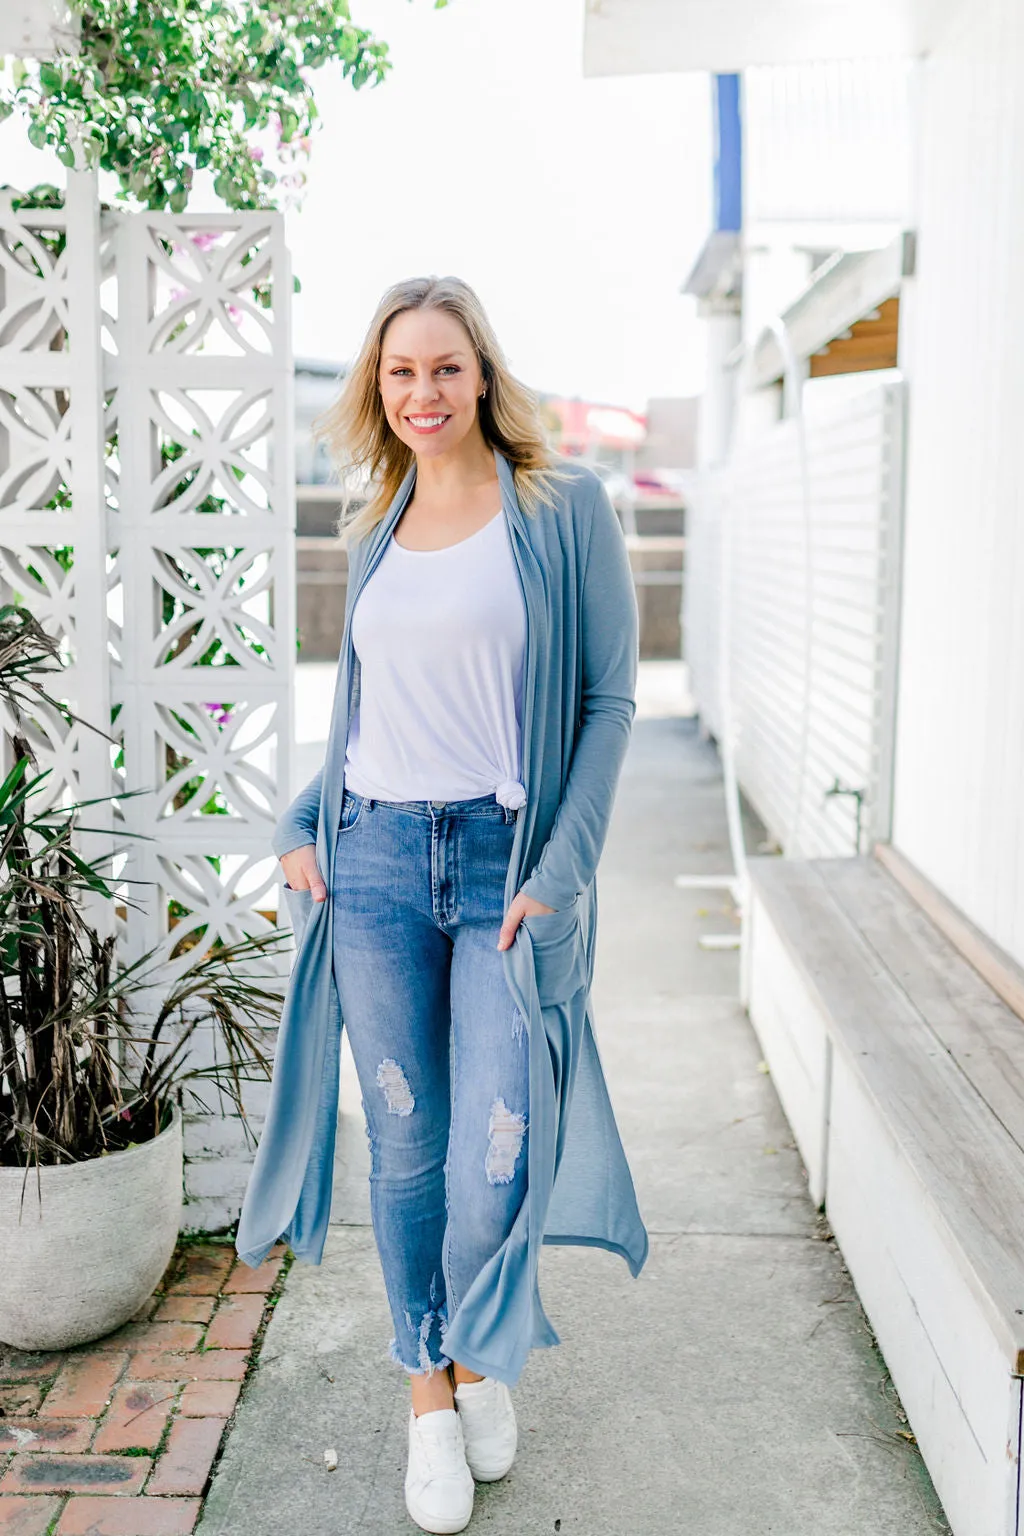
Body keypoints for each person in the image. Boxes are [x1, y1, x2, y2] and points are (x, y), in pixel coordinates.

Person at [235, 275, 648, 1534]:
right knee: (406, 1145)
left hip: (501, 875)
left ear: (483, 377)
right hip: (369, 868)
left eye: (445, 368)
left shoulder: (561, 507)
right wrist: (303, 821)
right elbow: (370, 717)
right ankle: (429, 1389)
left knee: (490, 1155)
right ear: (377, 386)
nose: (422, 393)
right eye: (400, 371)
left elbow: (607, 702)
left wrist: (558, 871)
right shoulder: (374, 524)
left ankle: (480, 1347)